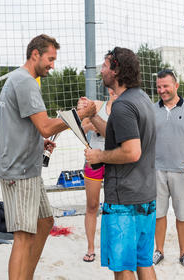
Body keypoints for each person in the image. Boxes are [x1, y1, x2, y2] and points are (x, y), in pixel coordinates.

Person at [0, 34, 96, 280]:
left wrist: (38, 142)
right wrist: (79, 115)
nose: (52, 64)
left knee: (45, 222)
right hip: (19, 171)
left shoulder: (20, 80)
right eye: (50, 59)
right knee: (22, 235)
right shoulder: (26, 82)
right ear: (35, 54)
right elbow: (47, 126)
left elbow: (22, 125)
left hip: (27, 168)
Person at [82, 47, 157, 279]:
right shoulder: (141, 98)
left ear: (116, 70)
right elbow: (117, 135)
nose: (101, 70)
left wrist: (99, 156)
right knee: (143, 261)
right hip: (145, 194)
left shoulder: (123, 106)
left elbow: (132, 151)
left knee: (123, 266)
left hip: (124, 199)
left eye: (105, 65)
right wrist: (94, 115)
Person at [152, 69, 184, 271]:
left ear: (176, 86)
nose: (162, 90)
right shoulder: (151, 108)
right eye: (159, 87)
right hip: (156, 170)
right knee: (159, 214)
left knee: (183, 215)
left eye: (165, 86)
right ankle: (159, 250)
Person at [82, 88, 117, 263]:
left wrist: (102, 127)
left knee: (113, 206)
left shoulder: (125, 108)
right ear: (110, 89)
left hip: (114, 159)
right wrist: (93, 124)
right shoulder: (98, 105)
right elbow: (82, 125)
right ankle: (90, 247)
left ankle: (111, 245)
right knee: (92, 205)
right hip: (94, 160)